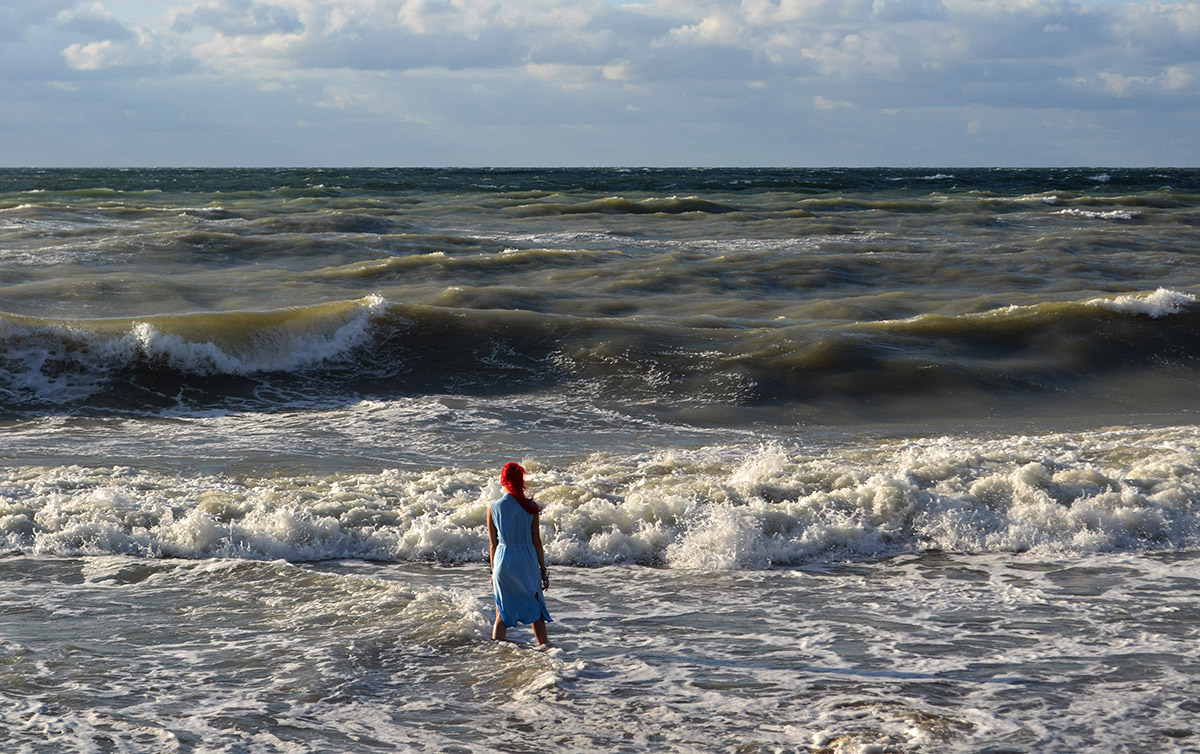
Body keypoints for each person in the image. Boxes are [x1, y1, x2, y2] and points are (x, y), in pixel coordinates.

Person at [487, 462, 552, 646]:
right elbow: (537, 542)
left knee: (501, 614)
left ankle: (496, 653)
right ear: (520, 480)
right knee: (536, 611)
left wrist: (493, 571)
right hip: (527, 561)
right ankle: (546, 650)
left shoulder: (493, 507)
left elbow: (493, 544)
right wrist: (543, 569)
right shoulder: (530, 507)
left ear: (503, 480)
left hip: (503, 561)